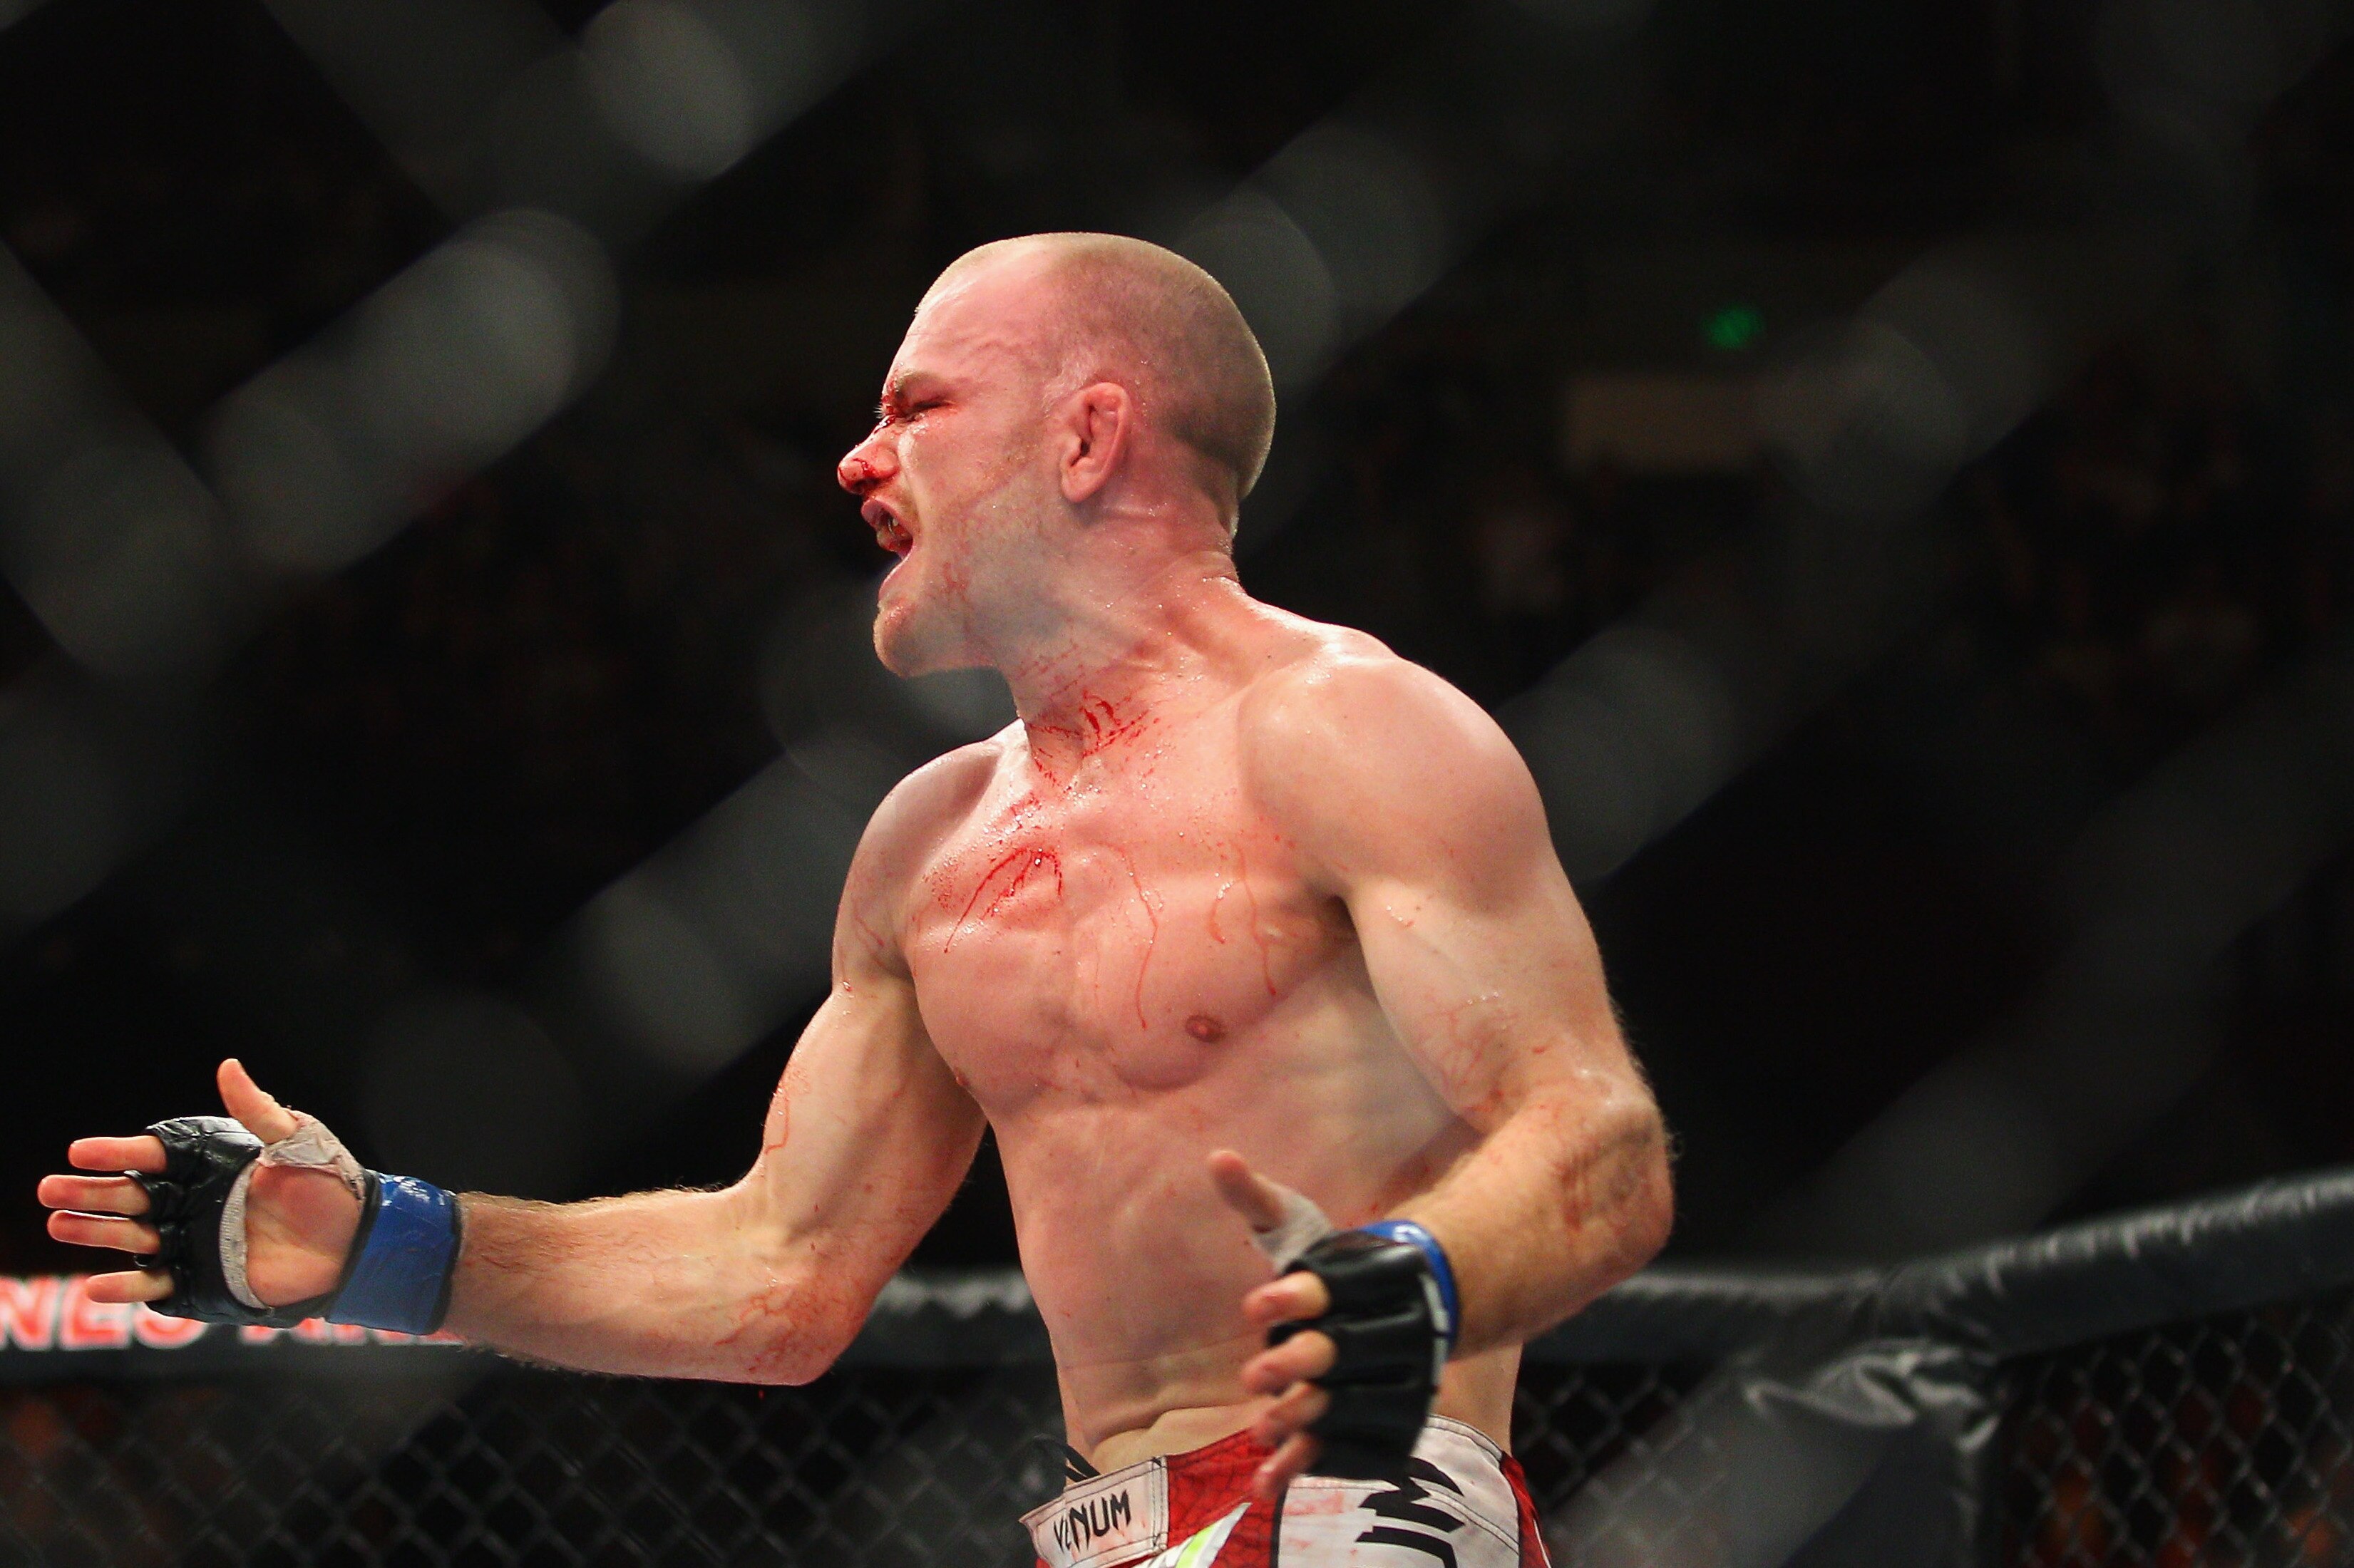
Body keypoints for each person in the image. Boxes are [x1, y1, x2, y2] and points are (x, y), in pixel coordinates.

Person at [38, 233, 1672, 1567]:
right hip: (1116, 1525)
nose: (858, 456)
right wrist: (393, 1245)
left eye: (919, 403)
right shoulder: (928, 844)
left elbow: (1595, 1141)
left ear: (1086, 437)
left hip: (1360, 1495)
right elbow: (778, 1275)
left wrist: (1418, 1274)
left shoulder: (1345, 731)